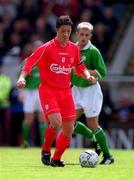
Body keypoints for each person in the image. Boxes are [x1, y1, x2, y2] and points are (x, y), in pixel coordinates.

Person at [17, 15, 95, 167]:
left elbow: (80, 67)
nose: (66, 34)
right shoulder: (46, 48)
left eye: (68, 31)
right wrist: (22, 78)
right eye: (63, 31)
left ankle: (56, 159)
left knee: (68, 130)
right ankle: (46, 149)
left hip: (66, 92)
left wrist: (87, 76)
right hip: (48, 91)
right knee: (56, 122)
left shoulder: (74, 49)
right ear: (57, 30)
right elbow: (29, 63)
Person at [71, 22, 114, 164]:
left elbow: (102, 71)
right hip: (76, 90)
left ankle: (108, 156)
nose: (84, 37)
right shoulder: (71, 49)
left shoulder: (93, 51)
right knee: (69, 122)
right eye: (81, 34)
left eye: (87, 35)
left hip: (91, 92)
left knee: (93, 124)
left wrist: (84, 71)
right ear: (76, 34)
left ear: (91, 36)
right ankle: (94, 139)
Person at [20, 41, 47, 147]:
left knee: (42, 118)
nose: (37, 49)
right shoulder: (27, 61)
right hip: (29, 92)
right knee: (28, 118)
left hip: (42, 92)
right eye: (35, 47)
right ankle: (25, 141)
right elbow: (22, 76)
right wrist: (21, 92)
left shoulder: (47, 61)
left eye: (40, 47)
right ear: (32, 49)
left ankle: (43, 143)